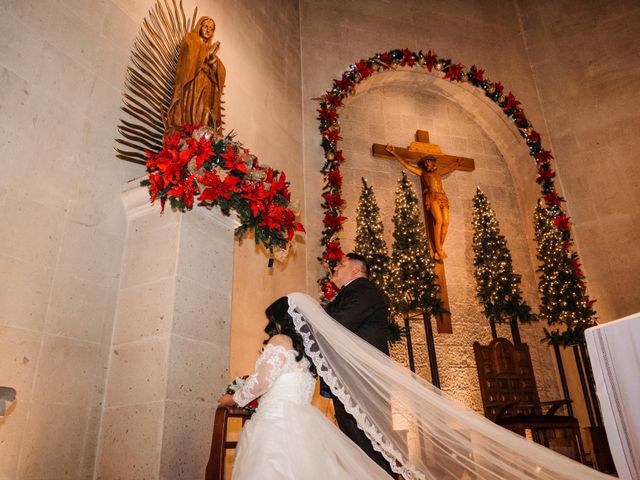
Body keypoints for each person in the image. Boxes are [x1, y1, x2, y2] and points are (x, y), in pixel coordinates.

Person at [218, 297, 392, 479]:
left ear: (281, 320)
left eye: (273, 320)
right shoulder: (310, 353)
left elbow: (263, 381)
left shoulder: (280, 340)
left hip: (276, 421)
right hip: (305, 423)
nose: (272, 325)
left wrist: (234, 398)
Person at [325, 252, 395, 476]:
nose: (336, 268)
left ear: (355, 270)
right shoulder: (350, 292)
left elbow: (340, 323)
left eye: (341, 264)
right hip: (351, 377)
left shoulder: (363, 290)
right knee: (355, 440)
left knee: (367, 441)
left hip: (362, 379)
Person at [386, 145, 461, 260]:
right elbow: (407, 165)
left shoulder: (438, 173)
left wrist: (458, 162)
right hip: (432, 197)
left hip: (443, 198)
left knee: (446, 222)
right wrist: (395, 154)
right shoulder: (422, 173)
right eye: (425, 164)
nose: (427, 165)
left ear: (433, 163)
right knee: (439, 221)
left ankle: (440, 247)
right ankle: (438, 249)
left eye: (429, 163)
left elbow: (450, 168)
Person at [166, 16, 226, 135]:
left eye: (211, 29)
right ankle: (188, 131)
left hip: (207, 87)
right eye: (205, 26)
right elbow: (190, 56)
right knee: (191, 106)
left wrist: (214, 60)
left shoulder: (210, 49)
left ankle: (201, 135)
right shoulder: (190, 38)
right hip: (192, 83)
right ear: (199, 26)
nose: (208, 30)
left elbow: (219, 71)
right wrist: (208, 53)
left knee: (204, 110)